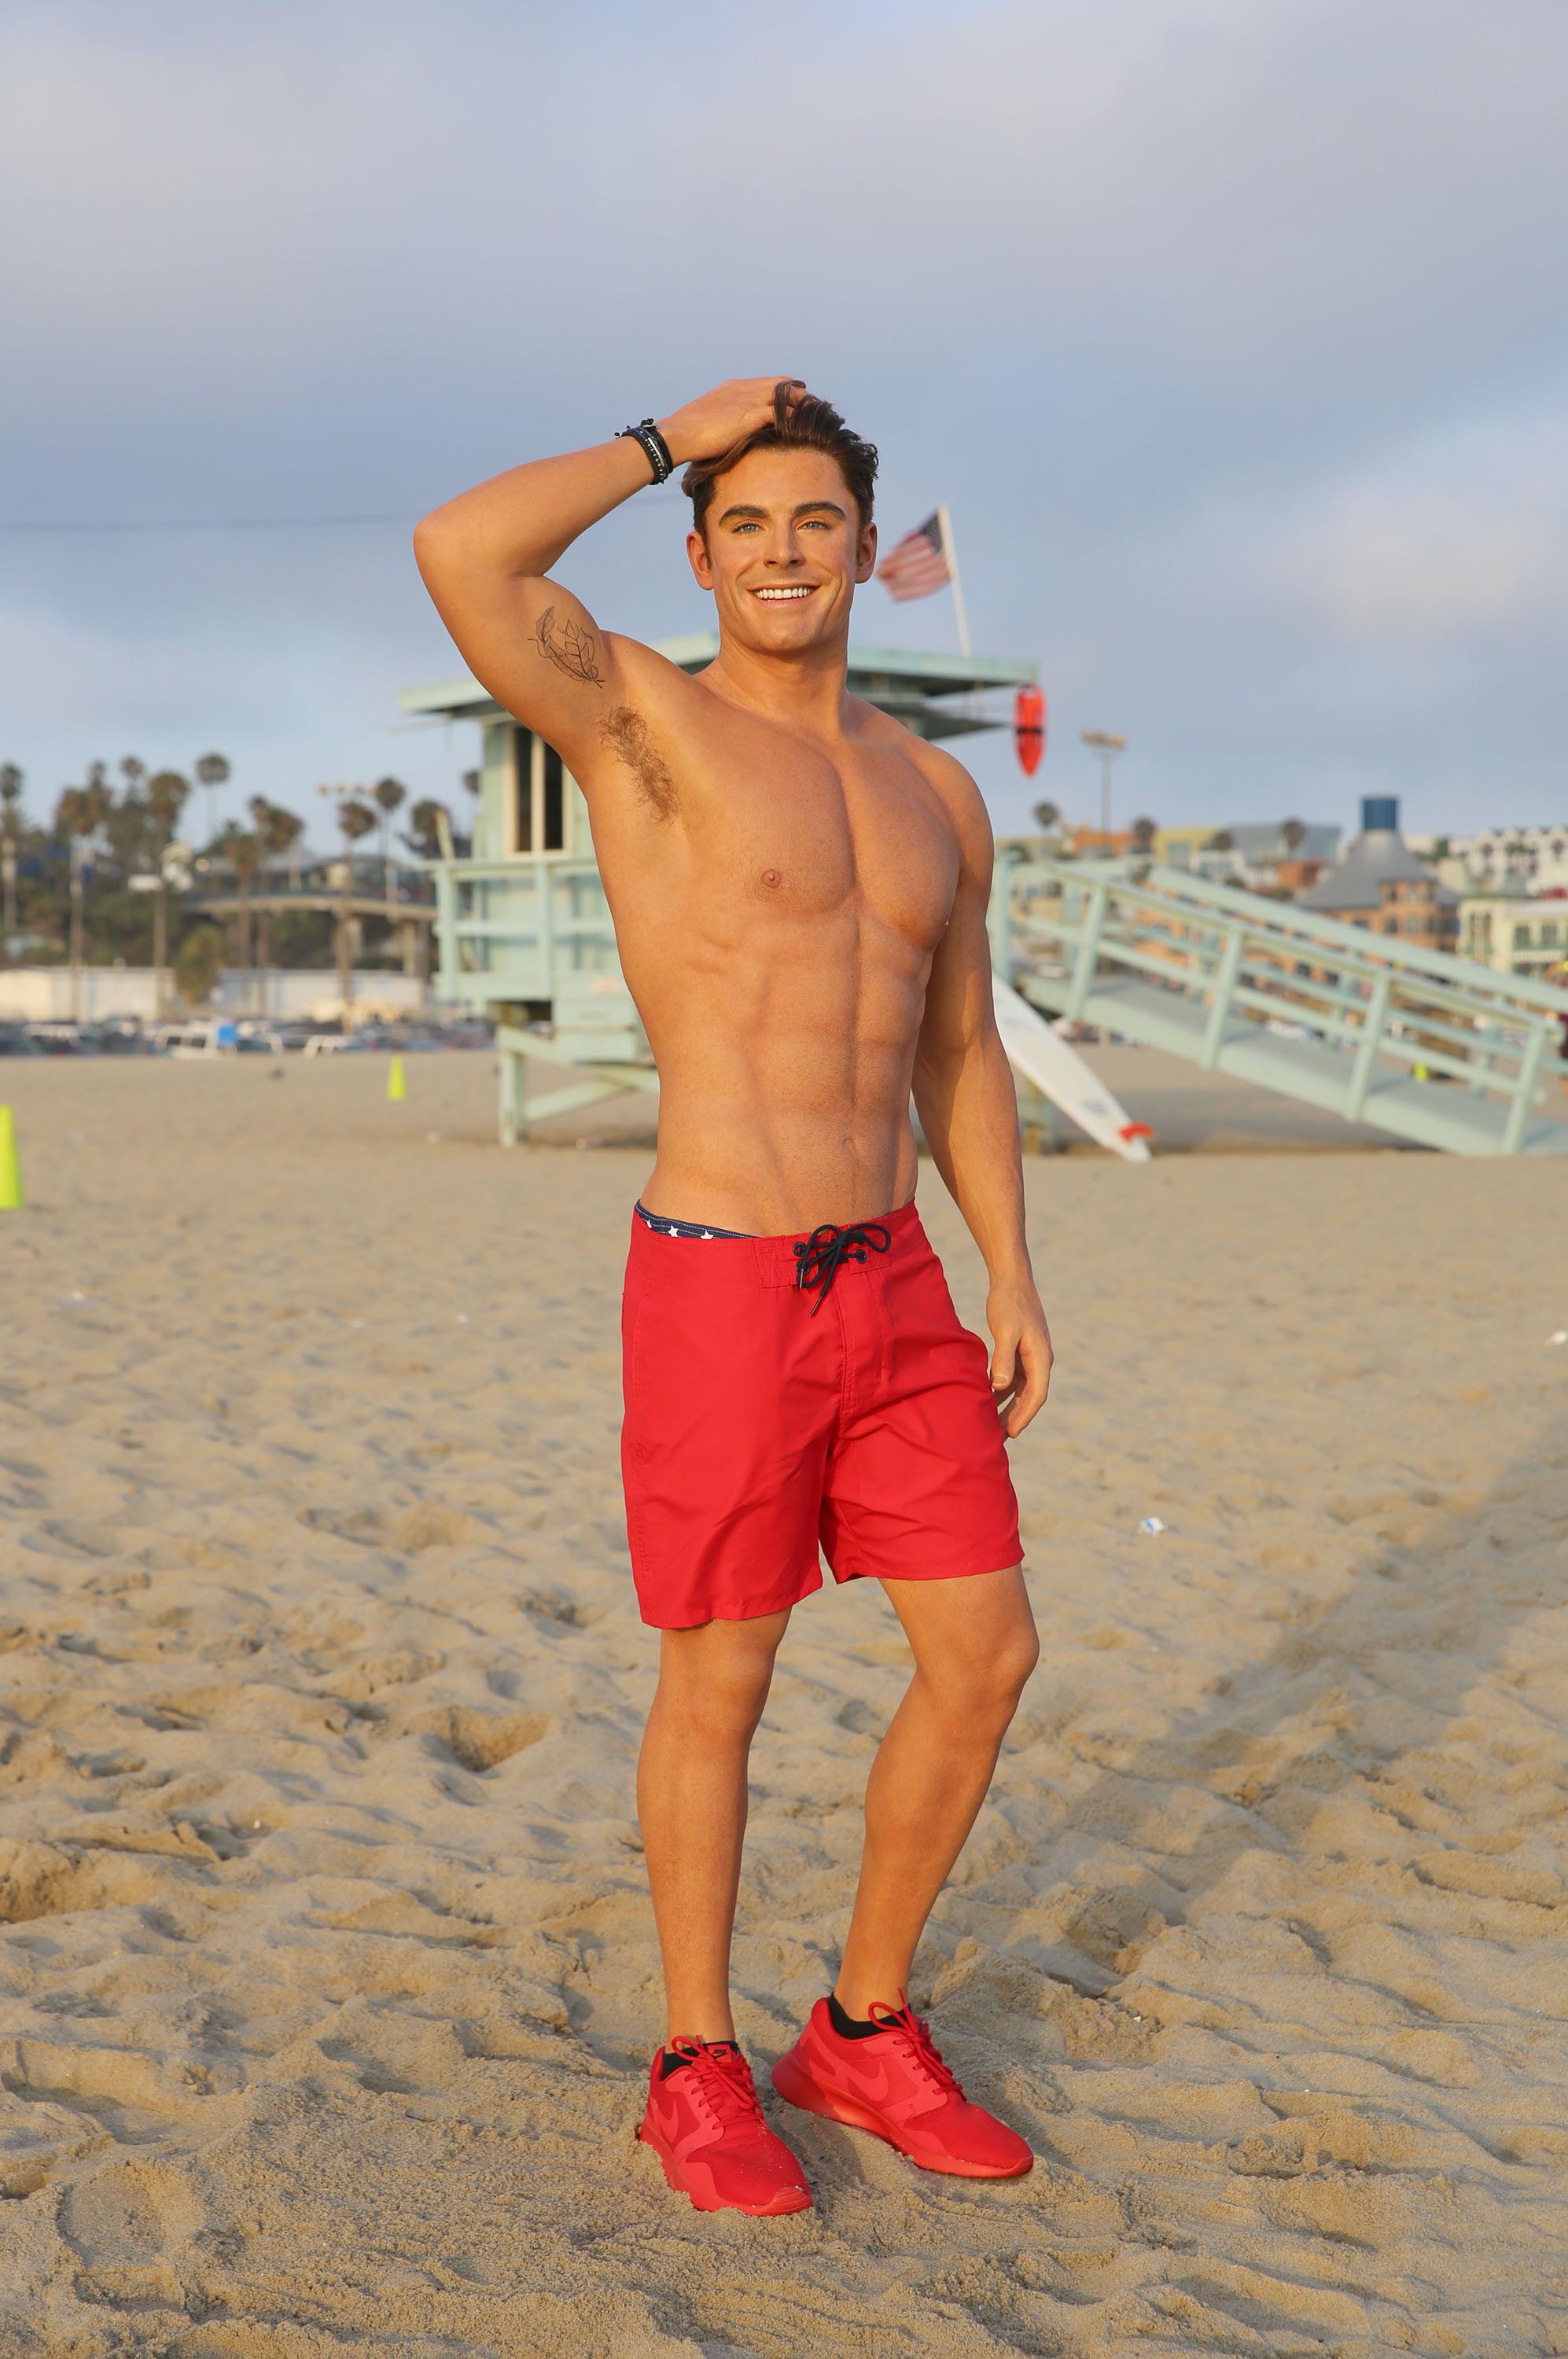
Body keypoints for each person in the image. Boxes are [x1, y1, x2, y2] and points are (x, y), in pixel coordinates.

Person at [414, 379, 1053, 2217]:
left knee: (986, 1653)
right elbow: (462, 551)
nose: (785, 555)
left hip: (900, 1282)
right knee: (726, 1673)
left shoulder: (931, 790)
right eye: (749, 526)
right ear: (700, 556)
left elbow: (958, 1043)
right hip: (719, 1280)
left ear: (865, 550)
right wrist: (661, 433)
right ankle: (698, 2063)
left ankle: (858, 2027)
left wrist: (1009, 1264)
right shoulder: (643, 724)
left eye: (817, 525)